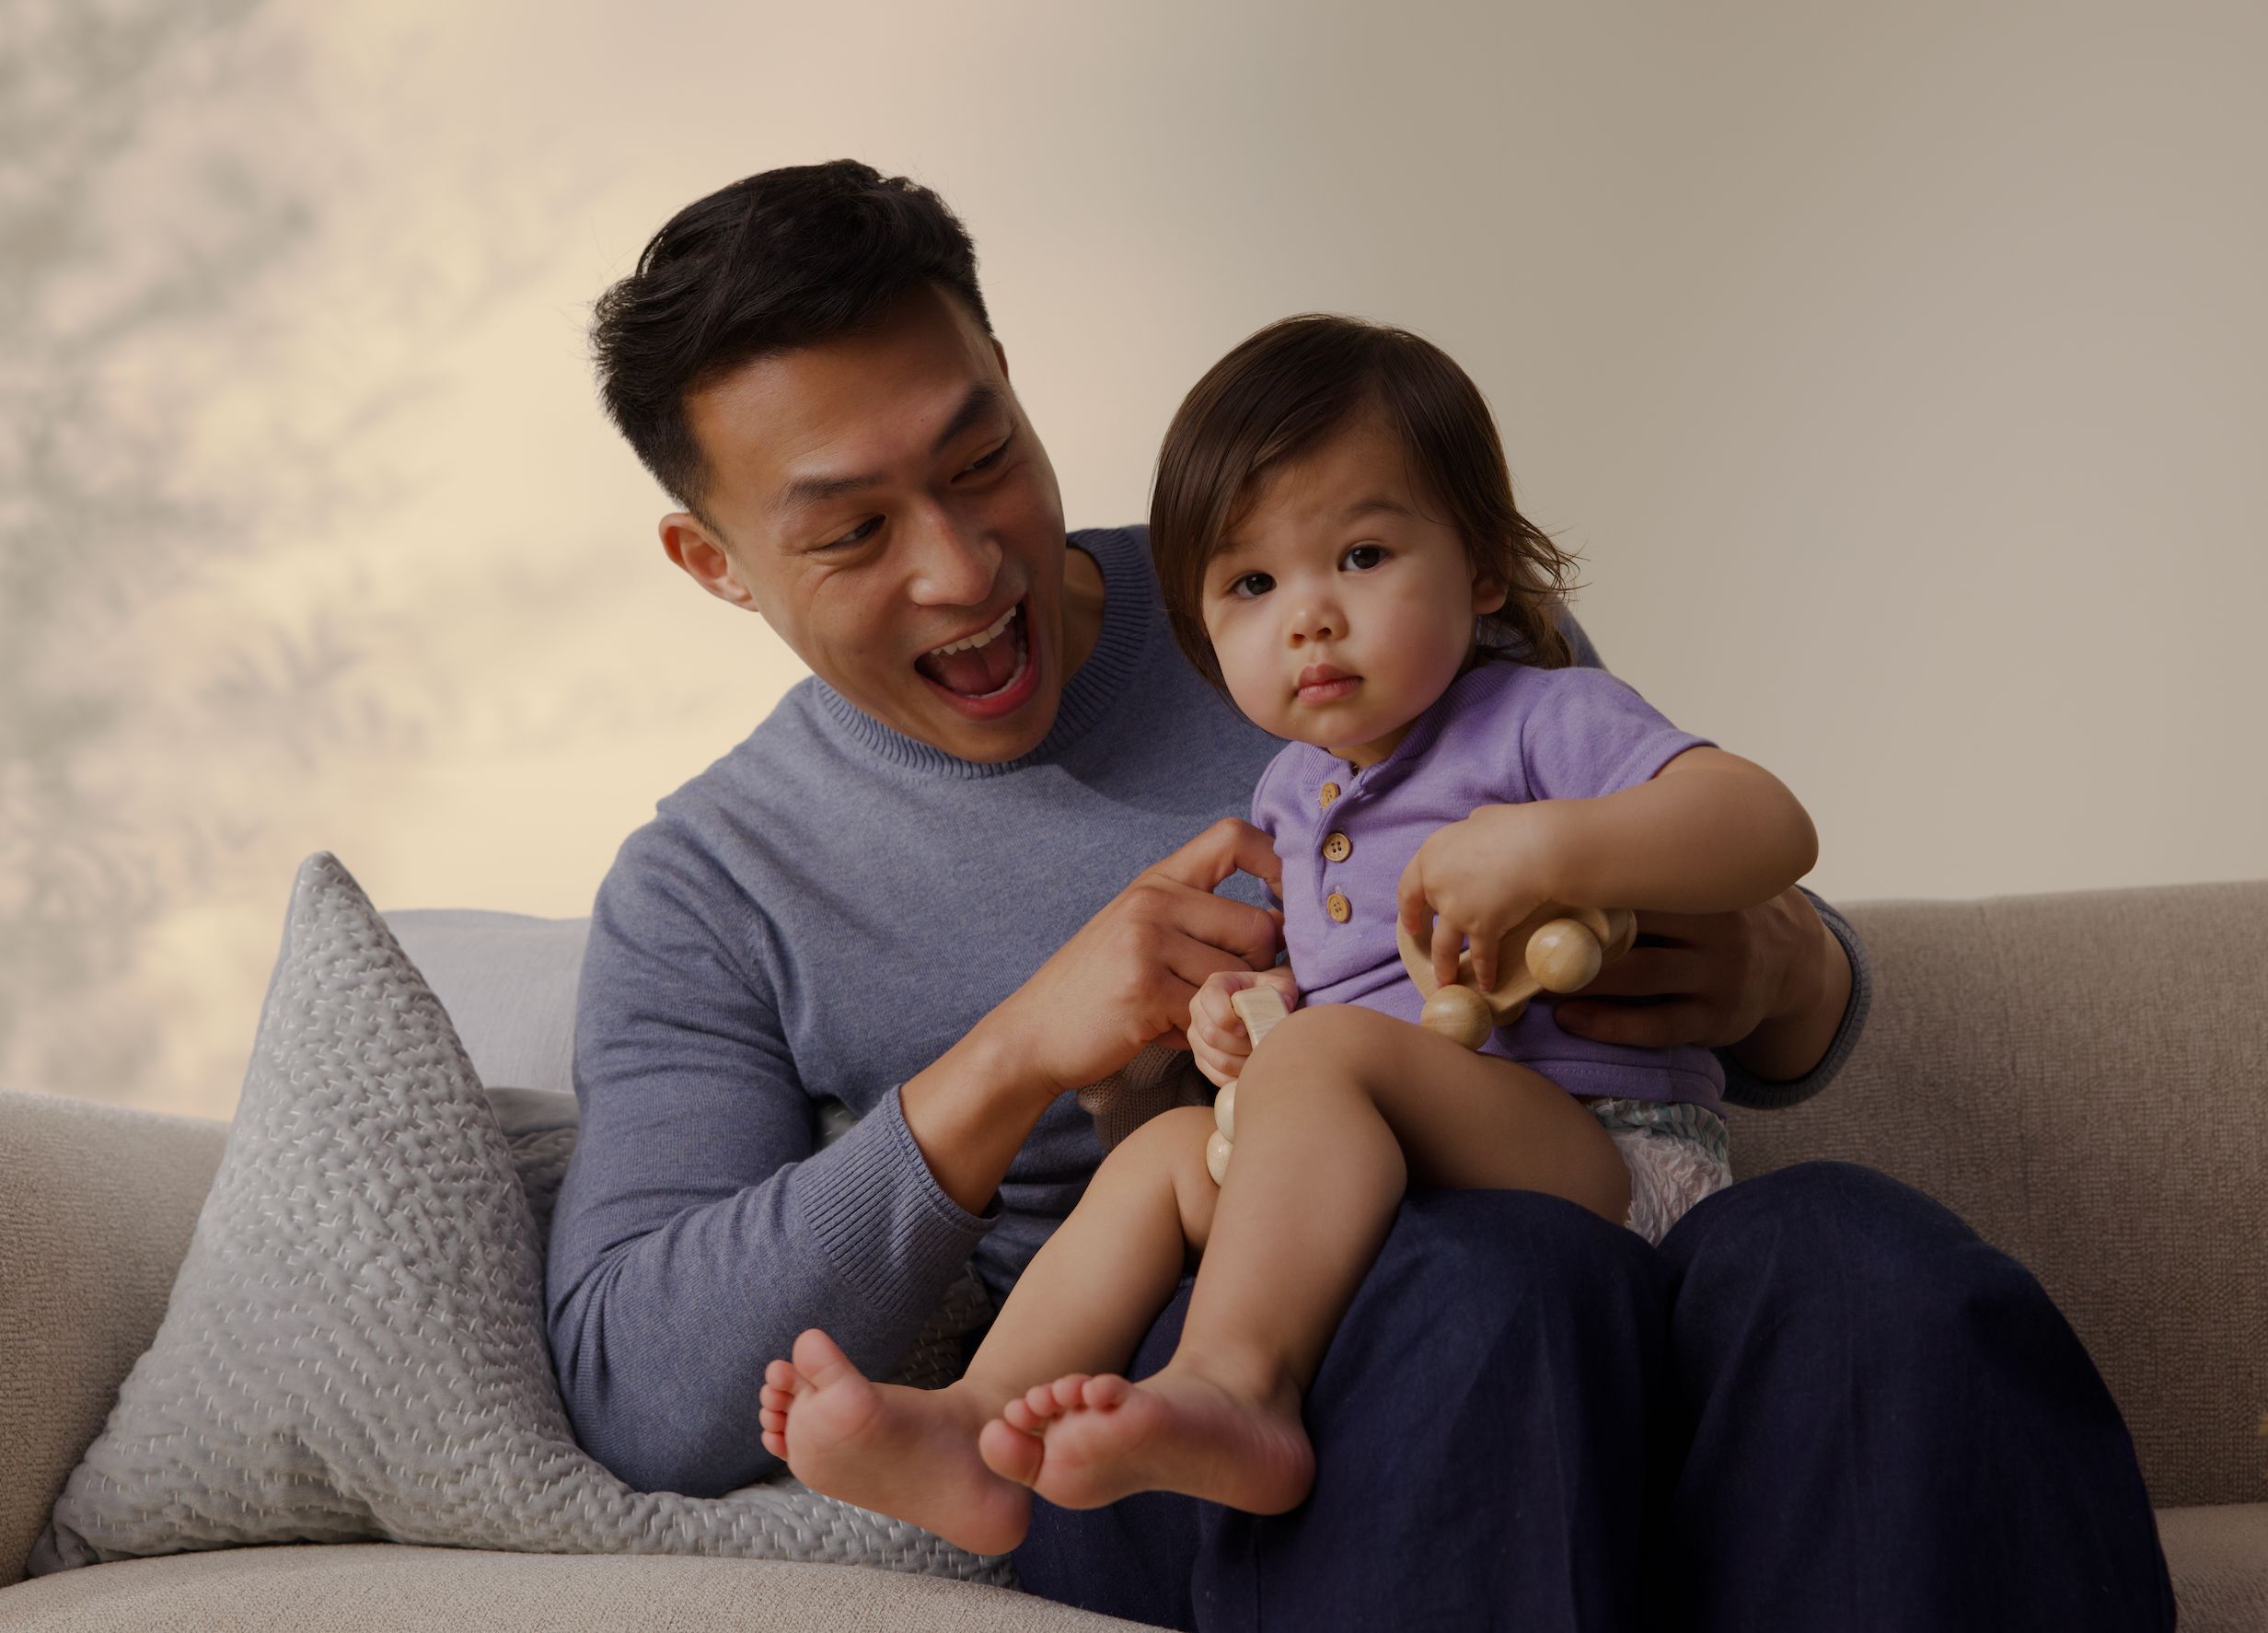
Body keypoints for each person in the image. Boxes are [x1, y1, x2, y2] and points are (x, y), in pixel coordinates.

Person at [549, 159, 2175, 1630]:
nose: (967, 568)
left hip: (1587, 1211)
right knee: (1485, 1284)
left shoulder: (1341, 554)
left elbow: (1695, 881)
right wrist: (1017, 1055)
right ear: (715, 562)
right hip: (1177, 1400)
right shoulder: (710, 884)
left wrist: (1788, 978)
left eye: (985, 461)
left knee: (1860, 1256)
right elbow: (639, 1383)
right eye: (851, 532)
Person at [752, 311, 1821, 1554]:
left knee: (1320, 1066)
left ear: (1483, 568)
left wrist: (1551, 847)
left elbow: (1770, 824)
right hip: (1396, 1180)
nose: (1308, 617)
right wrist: (1238, 1019)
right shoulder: (1292, 795)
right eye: (1252, 585)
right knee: (1157, 1162)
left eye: (1361, 555)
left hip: (1601, 1157)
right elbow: (1328, 1011)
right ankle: (975, 1429)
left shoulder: (1540, 719)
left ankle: (1239, 1386)